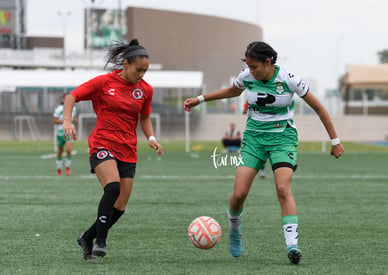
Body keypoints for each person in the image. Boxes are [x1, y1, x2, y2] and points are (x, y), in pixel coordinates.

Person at [184, 41, 344, 264]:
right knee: (239, 194)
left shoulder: (289, 79)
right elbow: (232, 90)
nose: (250, 71)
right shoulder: (247, 76)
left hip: (283, 138)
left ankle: (292, 246)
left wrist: (335, 141)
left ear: (268, 62)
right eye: (248, 66)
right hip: (254, 139)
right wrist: (200, 99)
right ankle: (235, 231)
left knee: (282, 188)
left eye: (254, 67)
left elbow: (318, 107)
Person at [62, 38, 164, 260]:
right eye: (138, 70)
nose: (142, 74)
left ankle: (86, 238)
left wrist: (152, 138)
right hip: (102, 143)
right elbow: (73, 96)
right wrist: (67, 120)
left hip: (128, 149)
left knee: (120, 205)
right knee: (113, 188)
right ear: (125, 64)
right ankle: (101, 241)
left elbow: (144, 117)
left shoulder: (145, 90)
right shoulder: (104, 83)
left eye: (145, 71)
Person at [53, 93, 77, 176]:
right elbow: (54, 121)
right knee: (60, 151)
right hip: (60, 132)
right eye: (66, 98)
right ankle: (59, 169)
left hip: (69, 132)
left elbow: (74, 119)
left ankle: (67, 167)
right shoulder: (59, 109)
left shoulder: (73, 108)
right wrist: (65, 122)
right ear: (63, 99)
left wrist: (74, 120)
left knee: (69, 150)